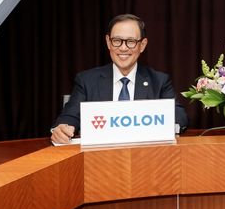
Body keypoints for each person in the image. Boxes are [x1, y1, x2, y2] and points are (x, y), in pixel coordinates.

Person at [50, 14, 188, 144]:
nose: (123, 48)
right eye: (117, 41)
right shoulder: (87, 80)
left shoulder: (159, 81)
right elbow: (70, 115)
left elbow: (179, 116)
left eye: (131, 42)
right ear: (108, 42)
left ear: (142, 45)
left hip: (144, 154)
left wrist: (169, 127)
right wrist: (62, 128)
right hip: (99, 156)